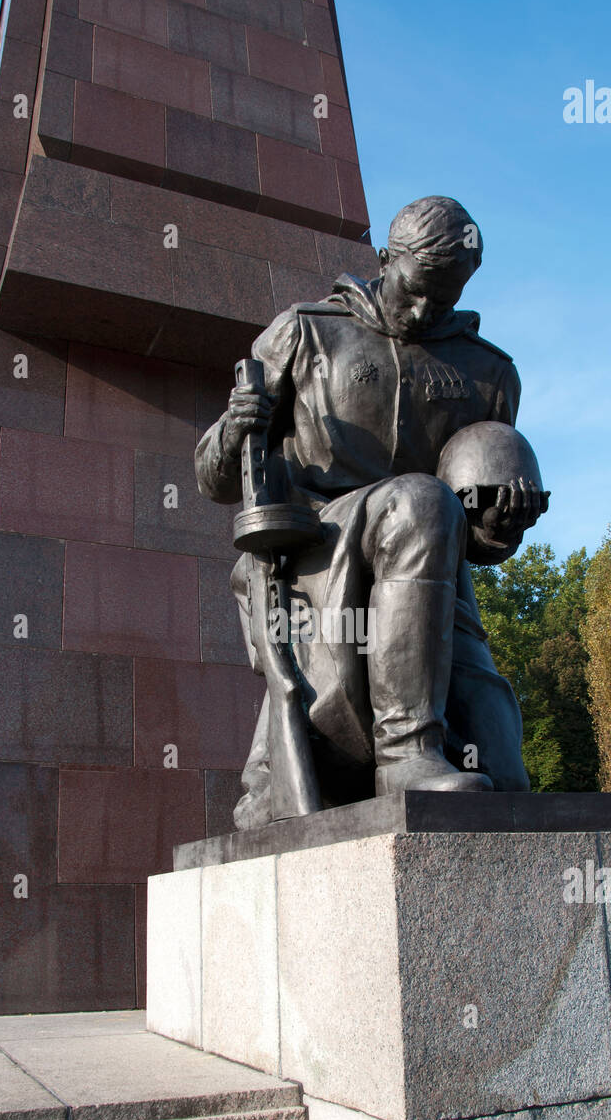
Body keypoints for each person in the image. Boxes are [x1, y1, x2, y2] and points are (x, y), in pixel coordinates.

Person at [195, 196, 547, 829]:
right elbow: (215, 478)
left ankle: (406, 751)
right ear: (386, 260)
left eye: (443, 299)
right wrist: (232, 433)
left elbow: (475, 536)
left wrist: (500, 523)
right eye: (414, 291)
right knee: (419, 498)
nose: (423, 312)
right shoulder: (306, 332)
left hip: (430, 578)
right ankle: (407, 753)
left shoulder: (488, 373)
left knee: (501, 771)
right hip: (320, 550)